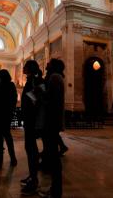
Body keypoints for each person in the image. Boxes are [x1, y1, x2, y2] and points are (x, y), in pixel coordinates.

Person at [39, 59, 65, 198]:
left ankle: (56, 190)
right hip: (51, 120)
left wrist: (40, 90)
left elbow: (50, 98)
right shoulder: (56, 77)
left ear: (53, 66)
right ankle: (55, 189)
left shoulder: (55, 77)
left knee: (53, 156)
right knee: (52, 155)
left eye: (49, 63)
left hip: (51, 121)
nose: (46, 64)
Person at [20, 60, 44, 195]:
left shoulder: (35, 80)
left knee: (31, 149)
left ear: (30, 68)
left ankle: (34, 180)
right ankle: (31, 175)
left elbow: (38, 100)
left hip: (32, 120)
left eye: (25, 66)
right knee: (29, 148)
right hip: (29, 120)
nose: (23, 68)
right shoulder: (31, 80)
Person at [0, 69, 18, 169]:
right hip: (7, 114)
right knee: (7, 136)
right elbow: (14, 99)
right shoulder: (11, 85)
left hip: (0, 114)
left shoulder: (0, 86)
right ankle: (12, 158)